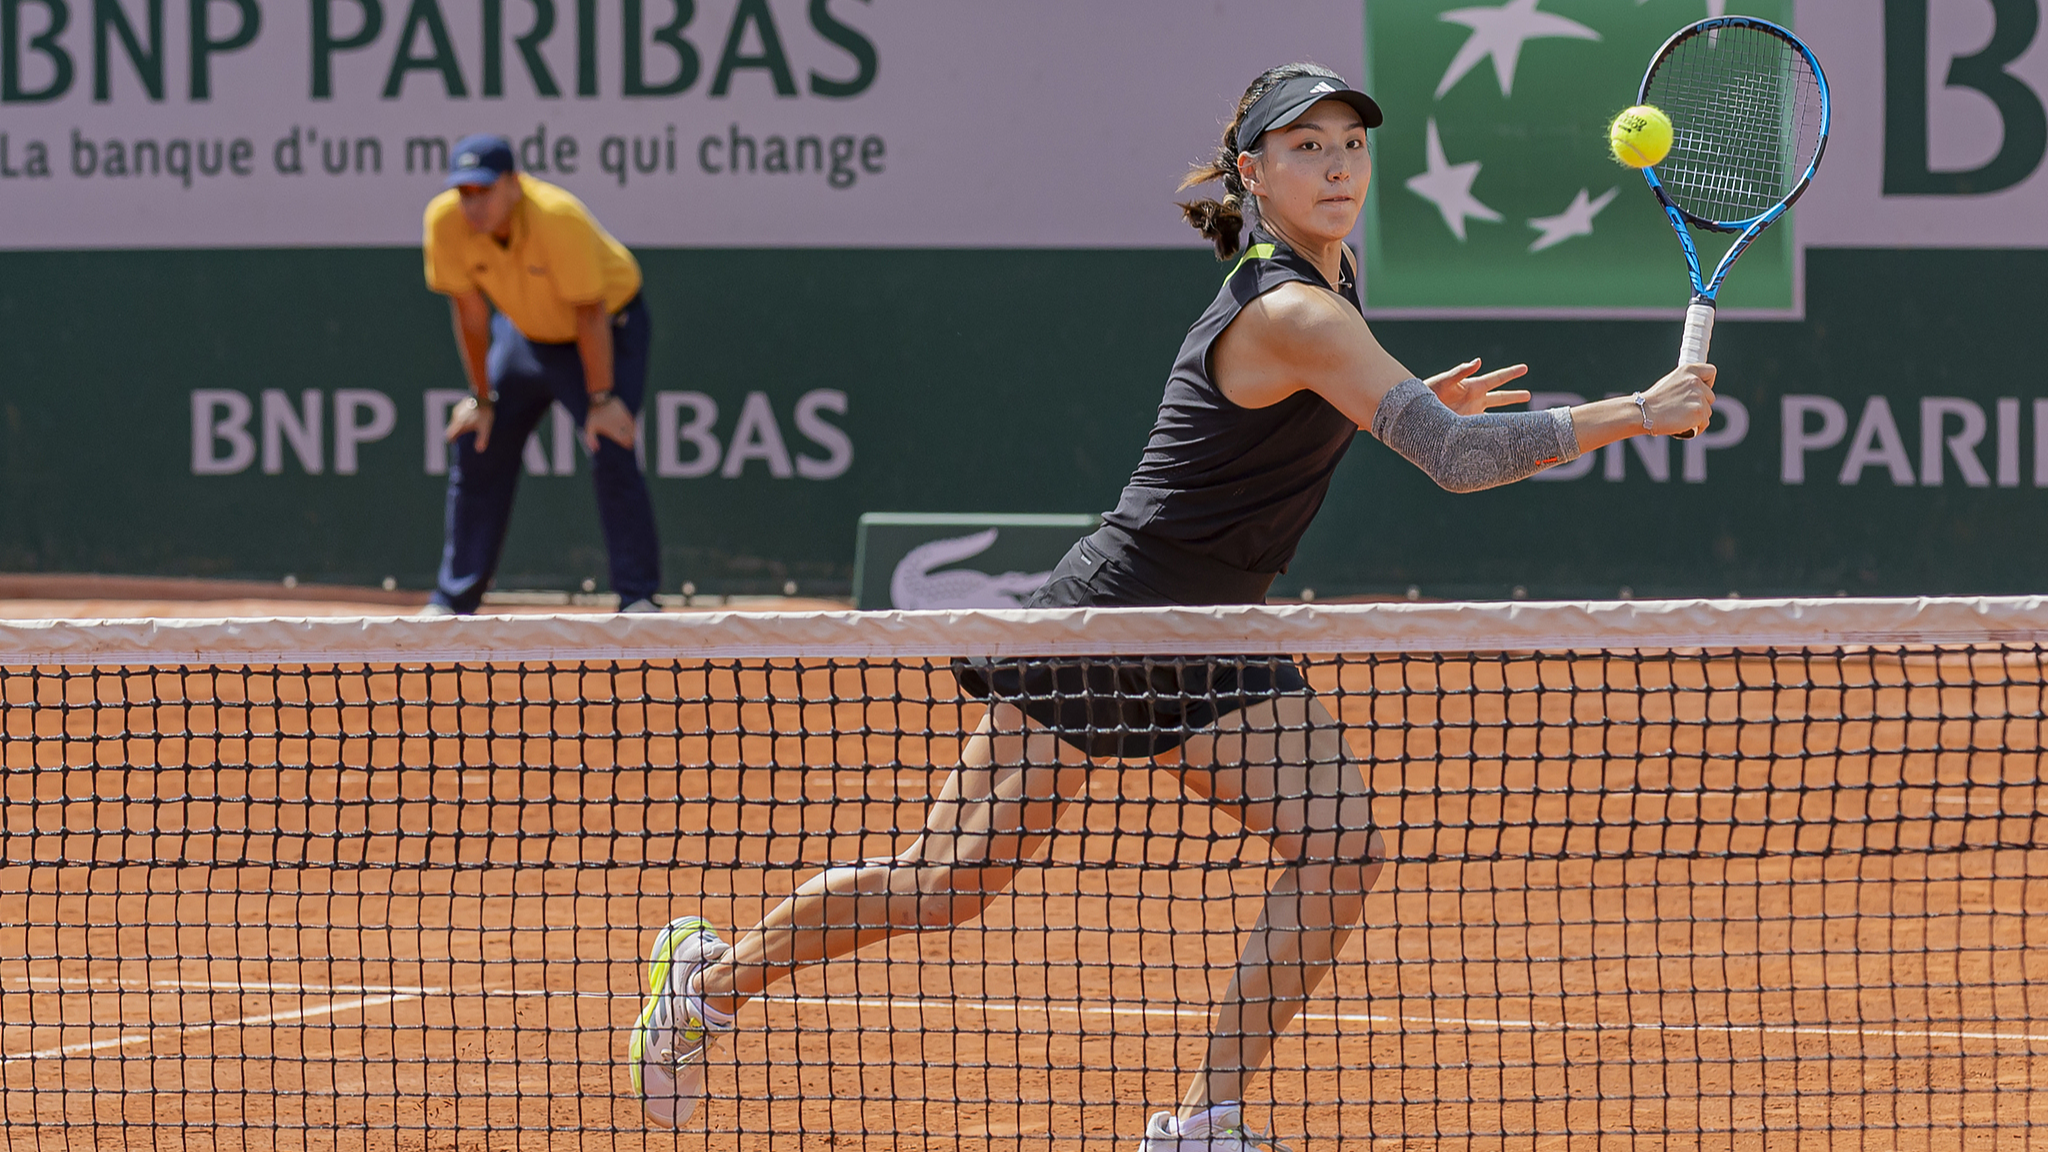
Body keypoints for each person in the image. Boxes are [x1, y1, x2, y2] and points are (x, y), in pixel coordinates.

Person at [628, 64, 1715, 1150]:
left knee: (1339, 846)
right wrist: (1636, 410)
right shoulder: (1293, 305)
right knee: (948, 882)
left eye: (1350, 144)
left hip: (1219, 631)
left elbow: (1300, 419)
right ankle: (707, 985)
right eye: (1306, 148)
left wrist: (1399, 402)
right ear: (1253, 172)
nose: (1337, 167)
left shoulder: (1330, 277)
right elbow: (1455, 460)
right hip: (1113, 622)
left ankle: (1202, 1120)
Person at [420, 134, 662, 615]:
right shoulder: (444, 221)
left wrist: (600, 400)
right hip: (525, 334)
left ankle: (638, 599)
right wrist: (481, 399)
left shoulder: (557, 216)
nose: (473, 205)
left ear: (514, 183)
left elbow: (589, 313)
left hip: (603, 329)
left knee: (611, 441)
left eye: (484, 191)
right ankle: (452, 601)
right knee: (477, 440)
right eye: (464, 192)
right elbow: (470, 313)